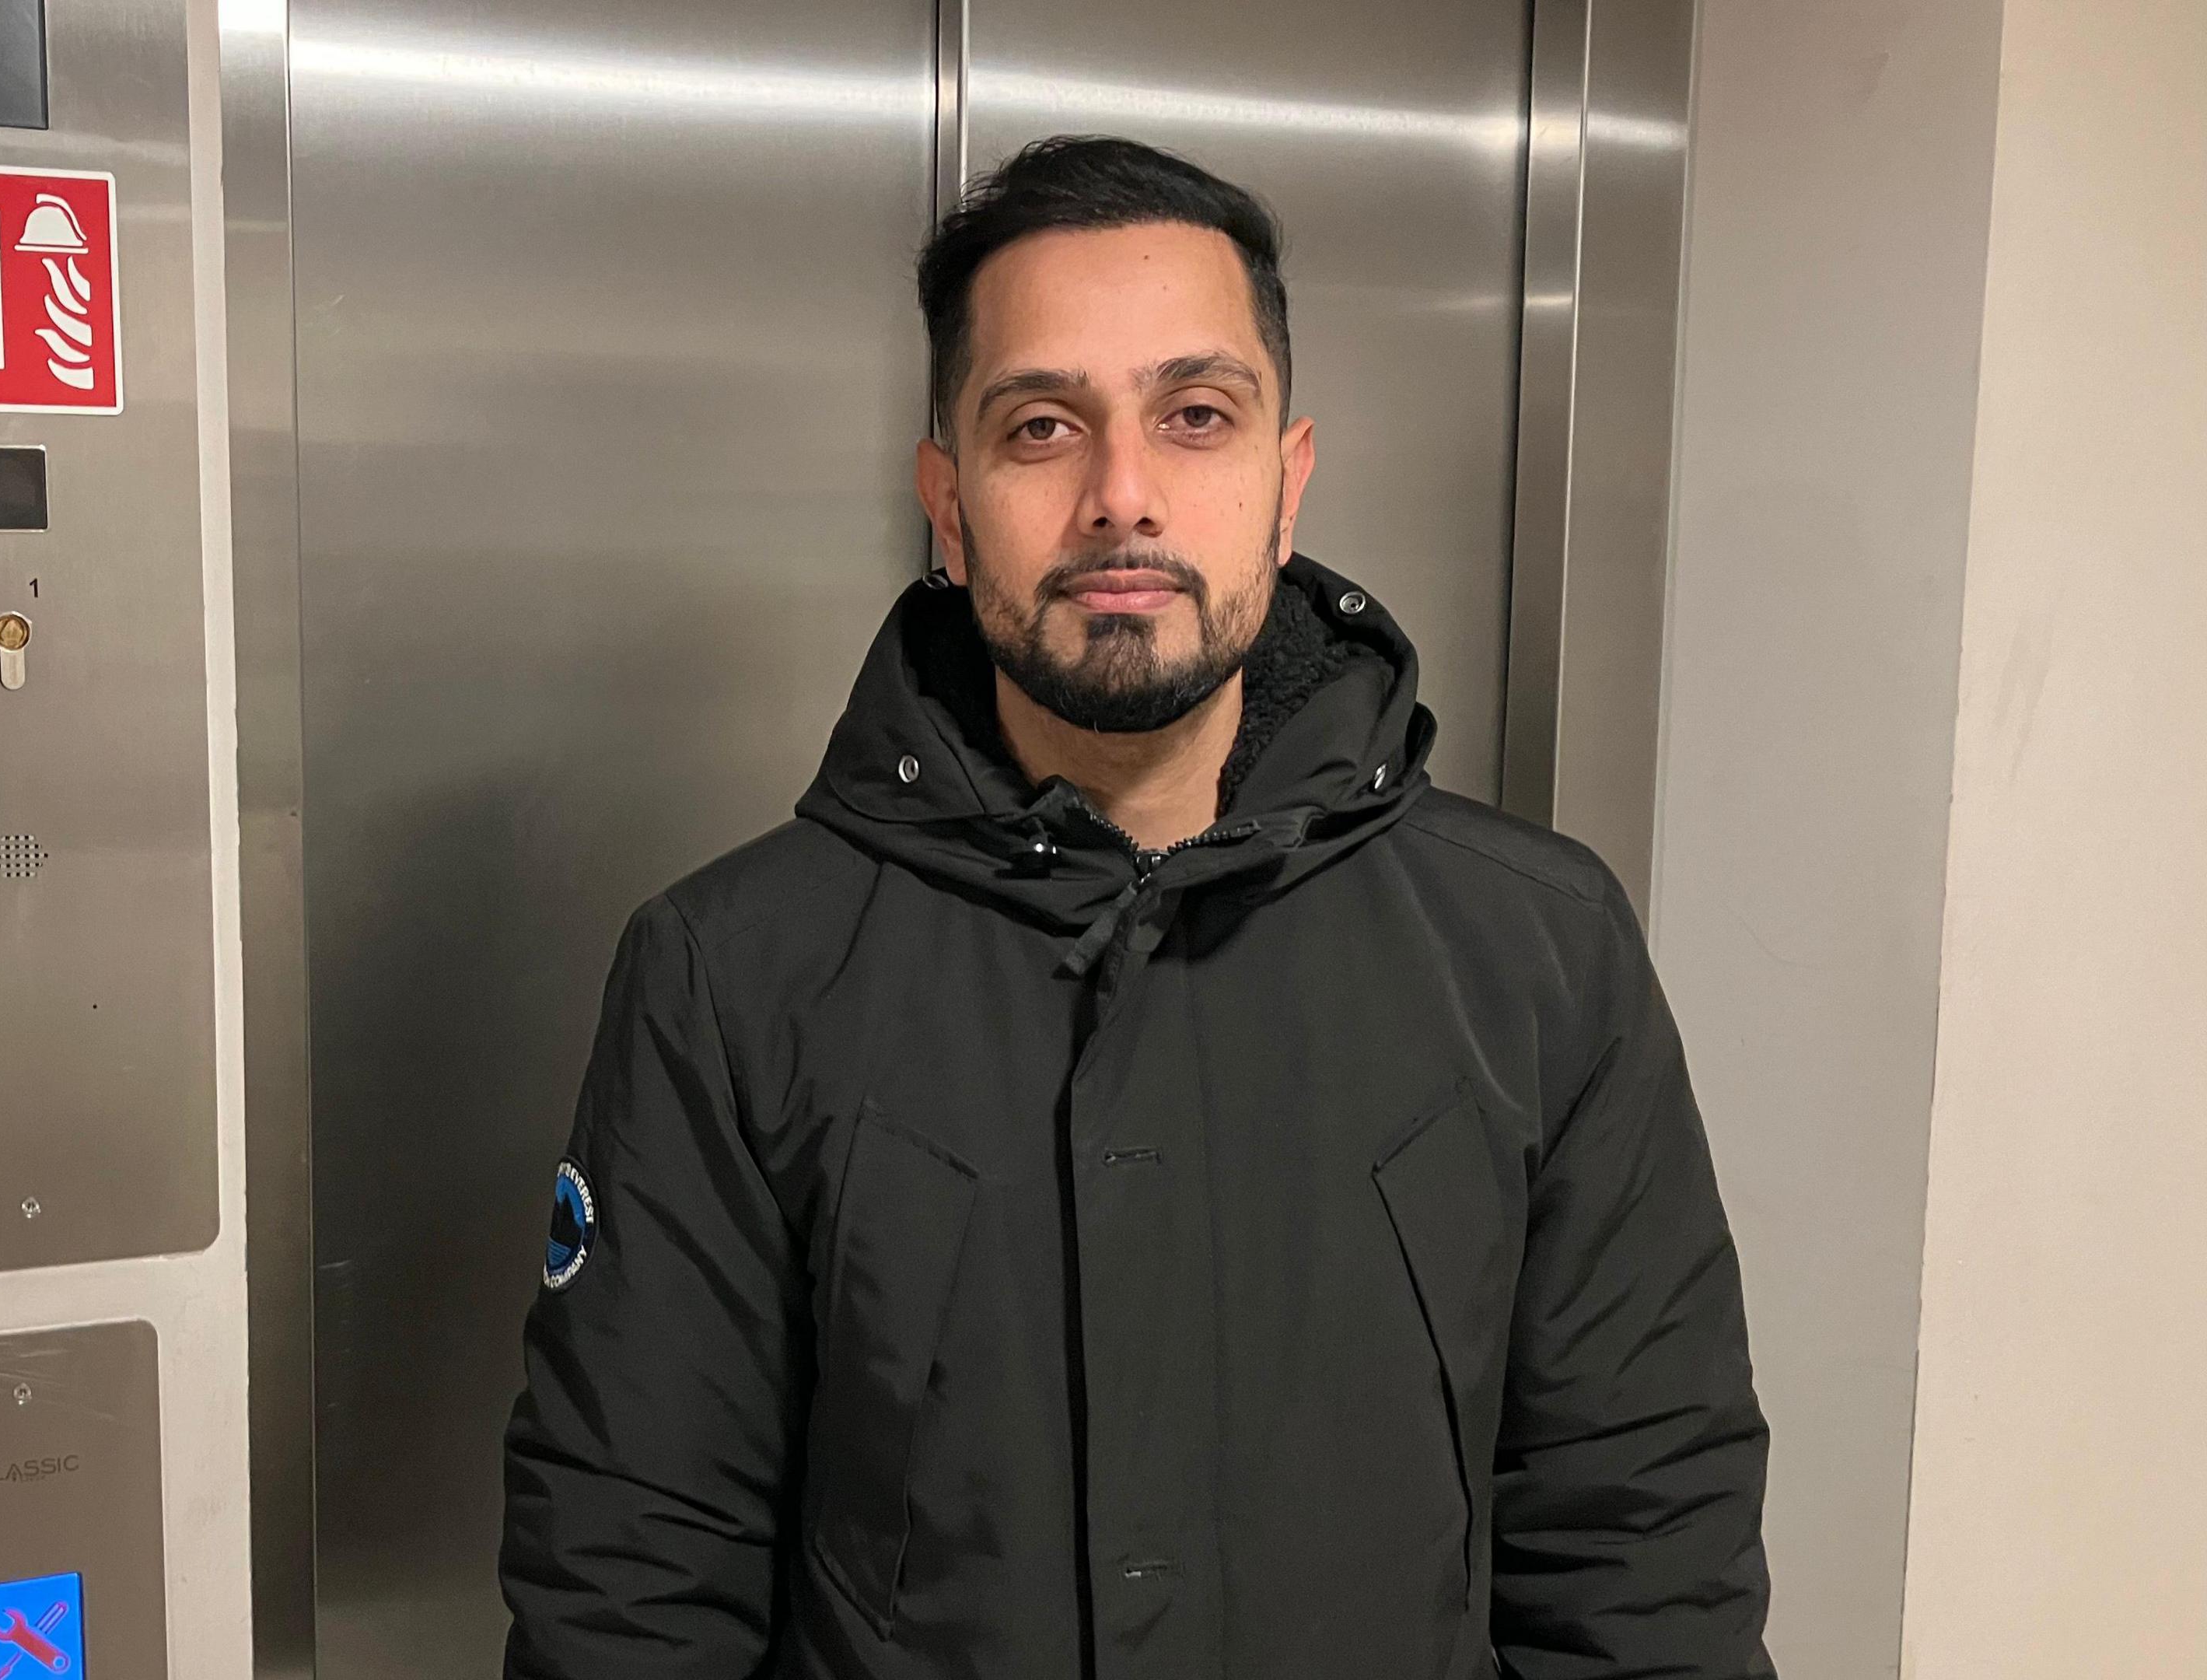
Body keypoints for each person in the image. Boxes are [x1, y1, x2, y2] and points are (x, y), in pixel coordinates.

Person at [499, 135, 1772, 1679]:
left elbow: (1641, 1555)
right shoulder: (731, 975)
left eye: (1195, 417)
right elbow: (630, 1586)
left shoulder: (1541, 953)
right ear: (949, 503)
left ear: (1284, 481)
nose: (1122, 495)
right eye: (1042, 427)